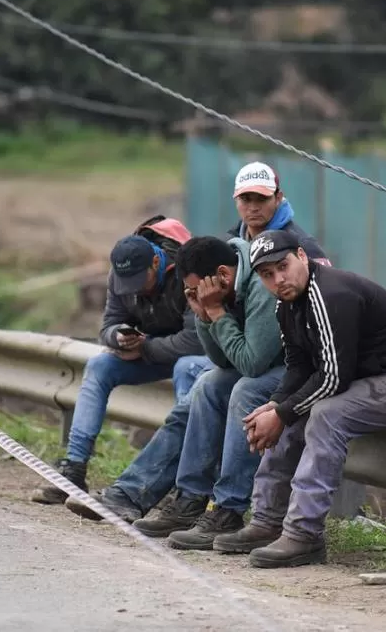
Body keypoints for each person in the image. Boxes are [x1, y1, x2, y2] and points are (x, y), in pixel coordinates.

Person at [212, 229, 386, 568]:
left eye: (283, 266)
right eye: (267, 274)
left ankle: (304, 535)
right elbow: (299, 366)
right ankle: (267, 521)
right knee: (290, 414)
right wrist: (276, 405)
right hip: (371, 377)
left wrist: (282, 412)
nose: (278, 279)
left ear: (302, 256)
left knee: (324, 414)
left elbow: (334, 377)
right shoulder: (287, 305)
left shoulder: (329, 294)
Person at [65, 235, 283, 527]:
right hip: (259, 365)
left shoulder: (259, 286)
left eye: (196, 290)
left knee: (240, 390)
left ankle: (228, 509)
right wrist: (204, 316)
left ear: (222, 275)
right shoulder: (220, 284)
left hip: (296, 370)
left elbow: (251, 364)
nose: (194, 294)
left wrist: (216, 313)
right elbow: (221, 361)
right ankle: (175, 499)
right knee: (205, 386)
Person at [31, 226, 204, 505]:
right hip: (147, 352)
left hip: (188, 356)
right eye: (127, 282)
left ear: (157, 263)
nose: (132, 288)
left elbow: (196, 341)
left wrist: (146, 347)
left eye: (139, 280)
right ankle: (74, 469)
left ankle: (186, 488)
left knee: (187, 367)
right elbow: (108, 325)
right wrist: (119, 337)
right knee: (100, 366)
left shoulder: (188, 272)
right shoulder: (120, 276)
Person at [171, 160, 331, 401]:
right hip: (245, 348)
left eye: (261, 199)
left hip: (296, 357)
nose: (253, 207)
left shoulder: (300, 247)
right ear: (236, 201)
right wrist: (205, 316)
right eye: (246, 199)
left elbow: (324, 306)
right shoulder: (231, 244)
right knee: (192, 374)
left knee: (235, 388)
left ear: (278, 198)